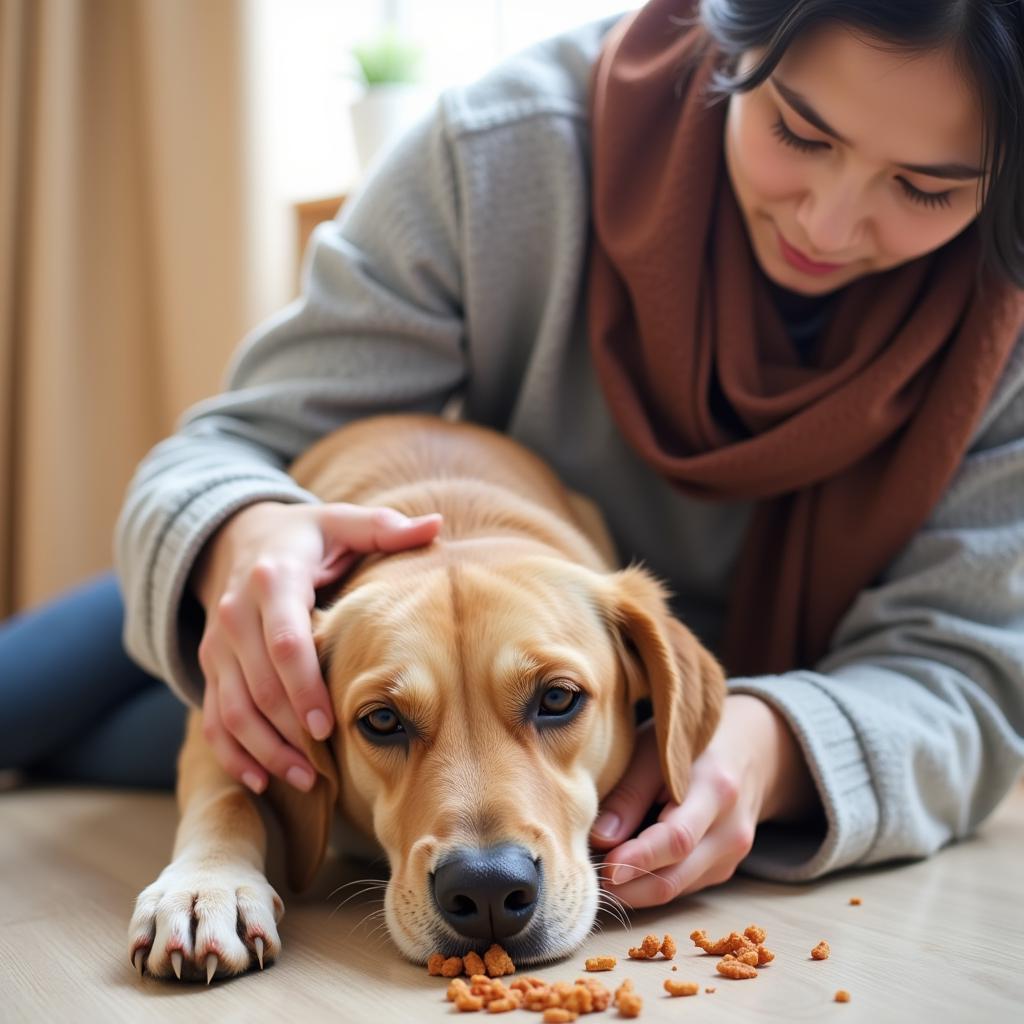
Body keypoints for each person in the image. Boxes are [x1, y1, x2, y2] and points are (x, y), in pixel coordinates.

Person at [3, 0, 1023, 910]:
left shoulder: (1003, 332)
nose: (831, 221)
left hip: (614, 673)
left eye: (927, 189)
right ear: (728, 38)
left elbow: (971, 679)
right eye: (799, 131)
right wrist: (241, 533)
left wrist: (769, 746)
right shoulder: (500, 153)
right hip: (370, 602)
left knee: (109, 740)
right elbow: (224, 447)